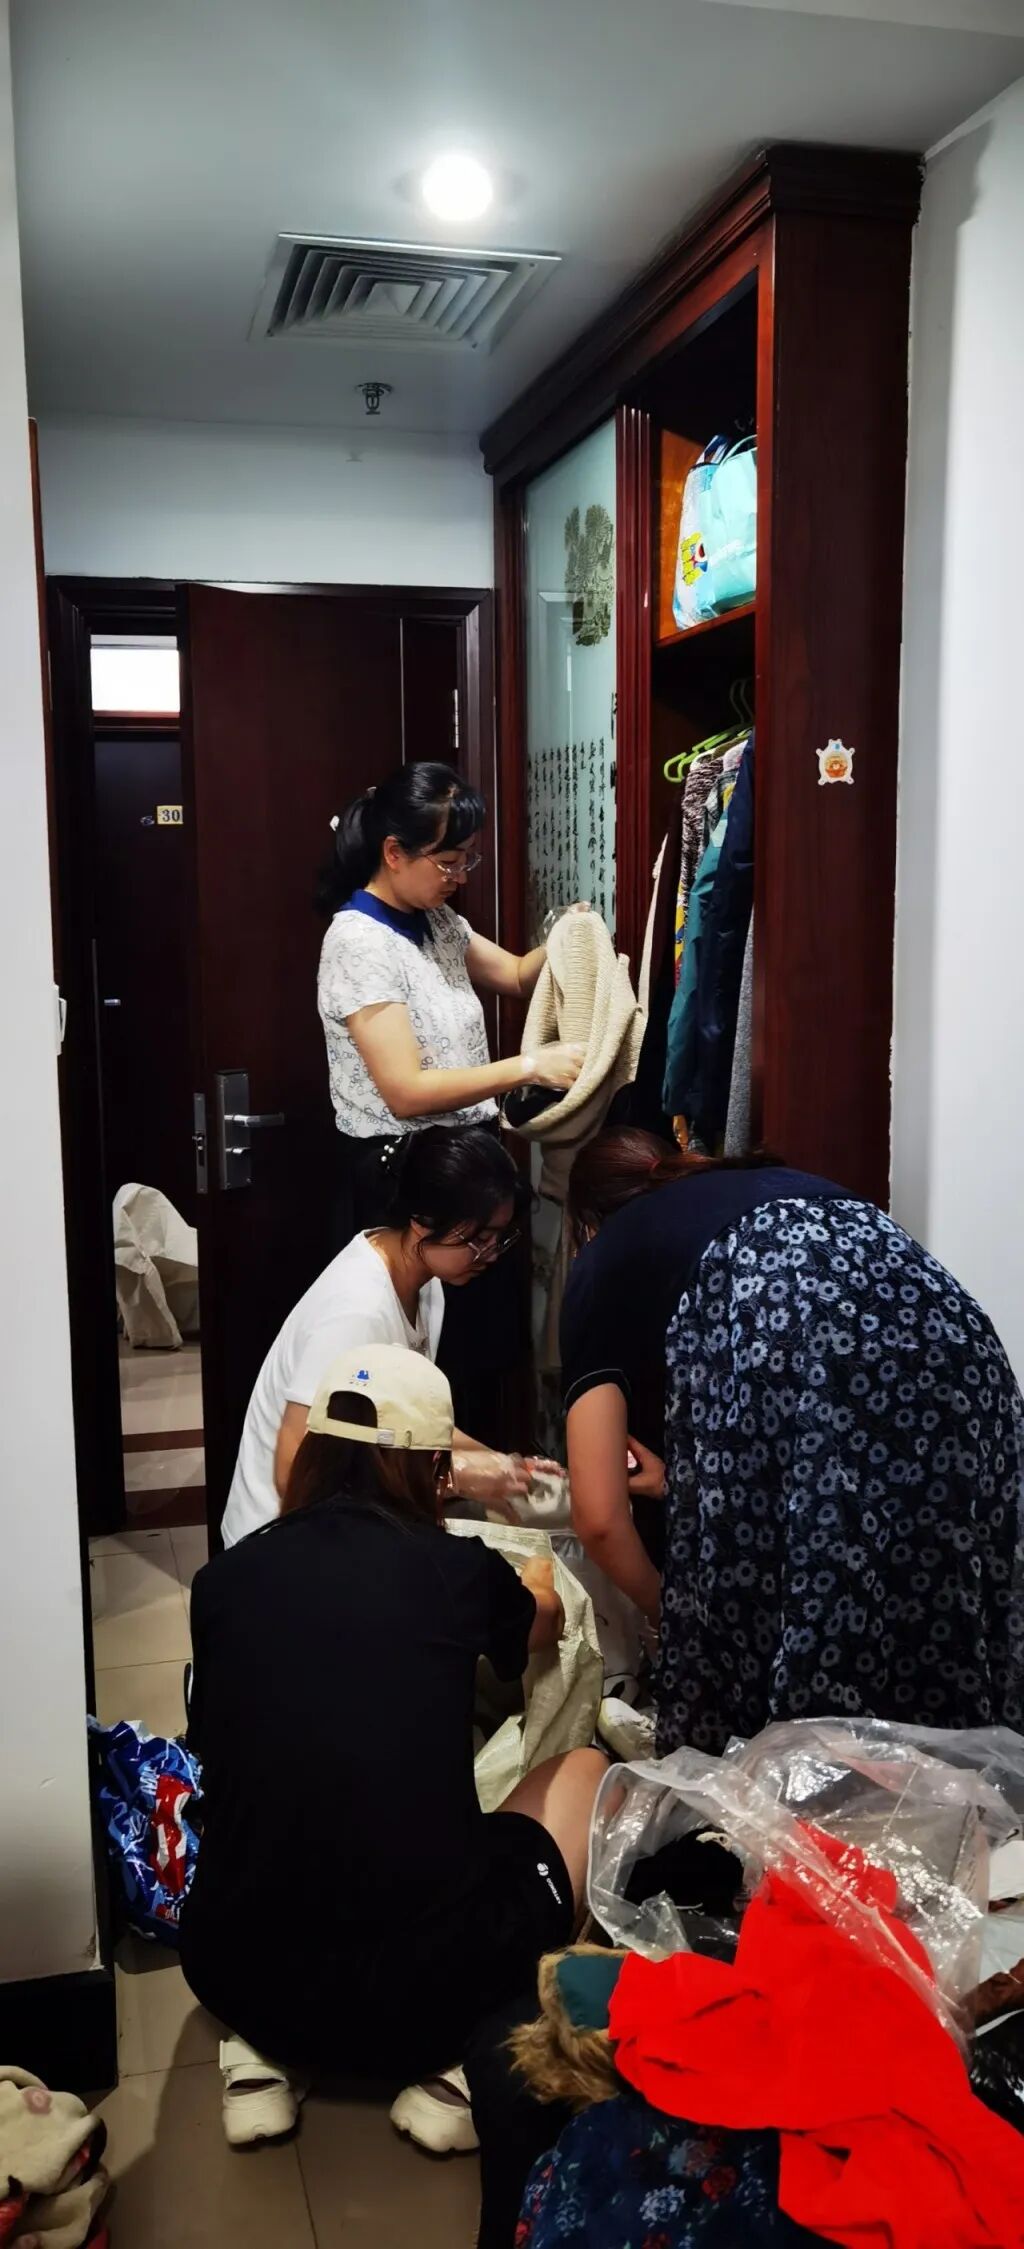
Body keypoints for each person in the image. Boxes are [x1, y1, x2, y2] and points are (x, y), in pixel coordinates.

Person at [180, 1345, 606, 2143]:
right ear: (433, 1471)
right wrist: (534, 1577)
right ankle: (457, 2080)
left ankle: (263, 2056)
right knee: (587, 1771)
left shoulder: (223, 1580)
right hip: (418, 1998)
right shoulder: (454, 1570)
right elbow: (542, 1623)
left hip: (235, 1967)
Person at [561, 1127, 1024, 1756]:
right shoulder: (761, 1187)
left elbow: (598, 1519)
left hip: (790, 1313)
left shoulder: (602, 1258)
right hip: (956, 1335)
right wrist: (679, 1482)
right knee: (935, 1573)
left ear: (586, 1224)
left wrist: (675, 1621)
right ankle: (959, 1783)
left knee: (781, 1620)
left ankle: (815, 1791)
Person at [220, 1125, 532, 1548]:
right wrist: (455, 1477)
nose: (491, 1254)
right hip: (280, 1538)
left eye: (499, 1238)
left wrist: (504, 1467)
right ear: (422, 1220)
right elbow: (293, 1471)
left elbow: (406, 1420)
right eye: (479, 1239)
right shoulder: (357, 1312)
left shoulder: (425, 1279)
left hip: (339, 1518)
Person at [316, 760, 584, 1236]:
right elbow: (406, 1092)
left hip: (462, 1161)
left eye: (467, 859)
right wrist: (531, 1067)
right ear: (394, 852)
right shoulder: (359, 942)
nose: (460, 877)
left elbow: (516, 975)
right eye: (448, 861)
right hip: (406, 1177)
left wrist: (570, 934)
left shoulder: (437, 920)